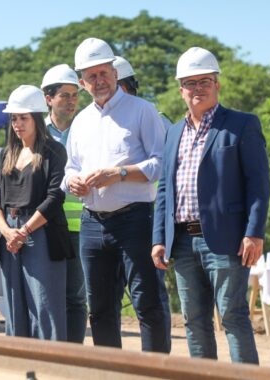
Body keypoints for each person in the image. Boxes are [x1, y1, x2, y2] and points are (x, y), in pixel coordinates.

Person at [152, 47, 269, 364]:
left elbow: (258, 184)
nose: (197, 88)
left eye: (204, 81)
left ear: (217, 84)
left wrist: (254, 232)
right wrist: (159, 238)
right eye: (190, 83)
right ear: (181, 90)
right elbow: (165, 188)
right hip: (182, 241)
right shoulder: (174, 132)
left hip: (226, 241)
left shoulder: (242, 125)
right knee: (193, 320)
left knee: (232, 316)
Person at [61, 38, 169, 352]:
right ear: (82, 83)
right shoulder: (80, 122)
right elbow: (69, 170)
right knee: (100, 310)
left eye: (104, 72)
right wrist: (74, 183)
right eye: (91, 76)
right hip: (92, 223)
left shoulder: (142, 110)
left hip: (135, 219)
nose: (99, 81)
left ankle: (155, 374)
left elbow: (159, 164)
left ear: (114, 72)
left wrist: (118, 173)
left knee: (147, 302)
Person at [0, 85, 72, 340]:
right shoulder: (7, 154)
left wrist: (24, 231)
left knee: (45, 306)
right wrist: (6, 231)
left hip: (41, 232)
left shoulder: (54, 151)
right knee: (14, 306)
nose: (17, 124)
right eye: (13, 118)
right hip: (8, 233)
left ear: (36, 117)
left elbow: (55, 197)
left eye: (23, 117)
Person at [112, 56, 172, 348]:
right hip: (112, 223)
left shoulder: (154, 118)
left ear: (122, 85)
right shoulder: (104, 122)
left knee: (149, 298)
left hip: (149, 218)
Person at [40, 64, 88, 343]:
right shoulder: (37, 132)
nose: (71, 101)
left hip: (82, 227)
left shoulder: (89, 126)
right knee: (47, 295)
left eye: (74, 95)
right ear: (49, 99)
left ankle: (74, 356)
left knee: (75, 297)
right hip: (45, 226)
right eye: (65, 95)